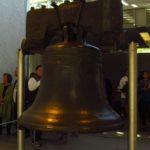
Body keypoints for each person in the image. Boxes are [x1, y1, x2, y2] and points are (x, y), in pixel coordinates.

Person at [27, 65, 43, 147]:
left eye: (42, 70)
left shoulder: (41, 79)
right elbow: (31, 88)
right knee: (35, 123)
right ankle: (34, 140)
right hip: (34, 105)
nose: (41, 72)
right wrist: (41, 81)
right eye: (40, 70)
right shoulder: (33, 78)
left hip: (40, 105)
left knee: (40, 123)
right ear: (36, 71)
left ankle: (38, 138)